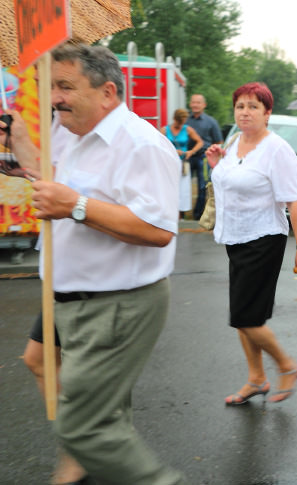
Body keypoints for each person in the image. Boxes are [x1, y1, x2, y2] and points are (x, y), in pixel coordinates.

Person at [20, 42, 186, 483]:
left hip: (115, 304)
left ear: (108, 92)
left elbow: (158, 230)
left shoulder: (142, 145)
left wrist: (75, 204)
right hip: (68, 297)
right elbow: (47, 180)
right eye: (52, 85)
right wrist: (17, 137)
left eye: (65, 86)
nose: (54, 97)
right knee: (101, 418)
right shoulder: (66, 130)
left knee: (83, 427)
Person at [205, 82, 297, 405]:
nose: (245, 112)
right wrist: (216, 166)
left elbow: (294, 203)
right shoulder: (236, 141)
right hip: (235, 238)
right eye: (240, 106)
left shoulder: (277, 149)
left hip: (263, 239)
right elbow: (232, 181)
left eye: (253, 106)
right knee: (246, 315)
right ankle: (256, 379)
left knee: (244, 317)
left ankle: (287, 365)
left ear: (268, 113)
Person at [1, 110, 88, 483]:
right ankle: (81, 447)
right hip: (60, 264)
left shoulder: (84, 121)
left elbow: (67, 188)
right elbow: (42, 173)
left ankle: (81, 451)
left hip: (90, 267)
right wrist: (17, 156)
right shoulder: (57, 119)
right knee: (39, 360)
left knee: (83, 373)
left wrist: (23, 146)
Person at [161, 108, 203, 219]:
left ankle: (181, 215)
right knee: (169, 187)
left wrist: (191, 151)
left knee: (183, 189)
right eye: (179, 122)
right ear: (175, 119)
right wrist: (172, 151)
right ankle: (168, 212)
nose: (181, 125)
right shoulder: (165, 130)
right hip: (169, 163)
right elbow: (158, 145)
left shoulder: (187, 129)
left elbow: (200, 142)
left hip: (183, 163)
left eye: (183, 122)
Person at [187, 93, 223, 219]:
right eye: (193, 102)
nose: (195, 105)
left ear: (204, 105)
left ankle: (198, 215)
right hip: (188, 158)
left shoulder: (211, 122)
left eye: (198, 103)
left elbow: (218, 141)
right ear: (190, 104)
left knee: (203, 186)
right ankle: (182, 213)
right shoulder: (186, 120)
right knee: (183, 184)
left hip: (204, 157)